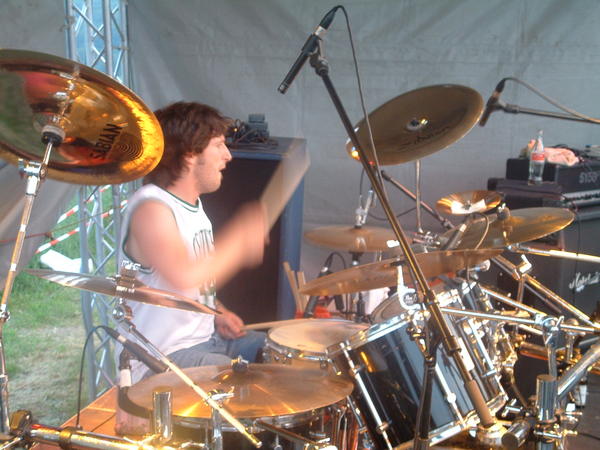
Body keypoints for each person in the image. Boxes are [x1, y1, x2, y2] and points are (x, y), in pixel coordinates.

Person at [119, 101, 268, 383]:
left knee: (277, 351)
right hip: (160, 357)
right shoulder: (151, 208)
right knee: (243, 382)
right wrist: (240, 238)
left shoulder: (194, 208)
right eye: (219, 145)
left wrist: (218, 312)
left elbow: (194, 284)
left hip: (207, 341)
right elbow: (184, 275)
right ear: (190, 154)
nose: (228, 156)